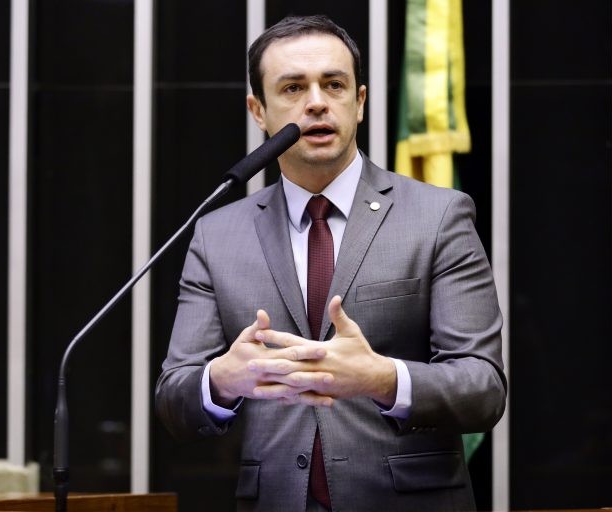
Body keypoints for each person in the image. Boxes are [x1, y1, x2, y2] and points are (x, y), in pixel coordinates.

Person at [156, 14, 506, 511]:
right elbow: (174, 401)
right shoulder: (218, 234)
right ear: (259, 110)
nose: (317, 102)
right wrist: (222, 380)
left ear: (359, 102)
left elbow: (483, 387)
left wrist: (382, 377)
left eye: (334, 84)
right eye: (293, 87)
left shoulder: (439, 216)